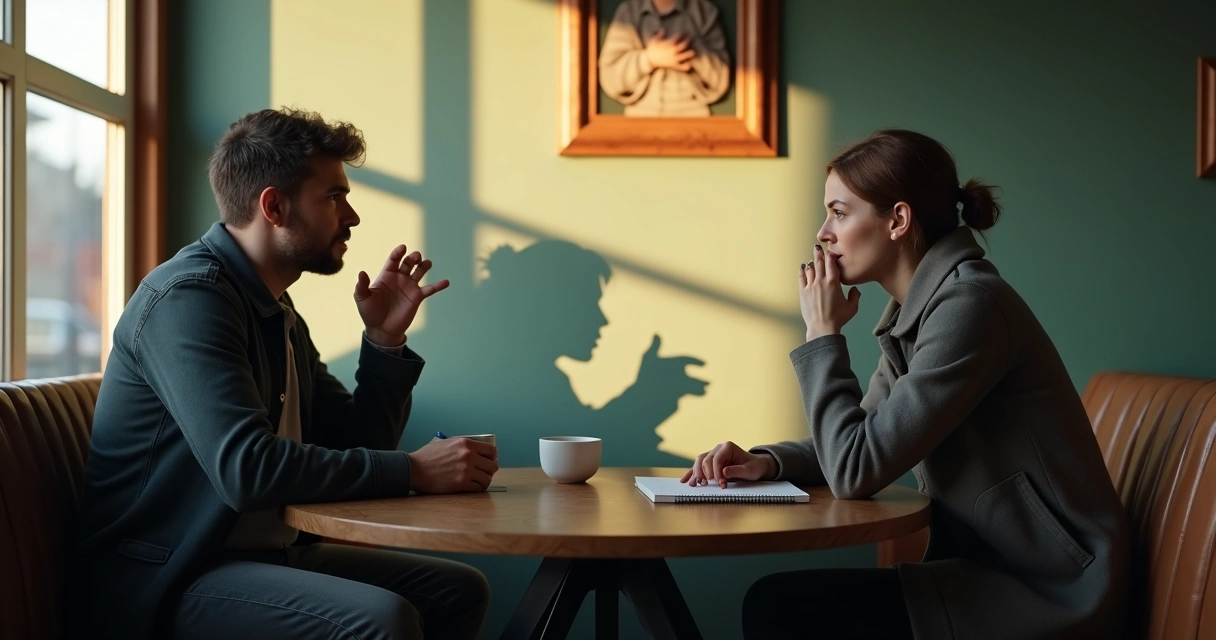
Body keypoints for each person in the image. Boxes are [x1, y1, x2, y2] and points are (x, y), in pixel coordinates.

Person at [683, 130, 1130, 639]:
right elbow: (863, 439)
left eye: (840, 212)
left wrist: (822, 334)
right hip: (994, 570)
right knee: (780, 604)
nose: (823, 233)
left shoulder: (970, 308)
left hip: (1049, 589)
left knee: (780, 608)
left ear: (897, 219)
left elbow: (856, 470)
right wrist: (768, 461)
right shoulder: (922, 313)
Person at [70, 108, 498, 640]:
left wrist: (383, 342)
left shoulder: (274, 307)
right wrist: (413, 470)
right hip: (167, 577)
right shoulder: (190, 300)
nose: (352, 217)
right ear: (273, 206)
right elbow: (247, 470)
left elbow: (359, 440)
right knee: (383, 622)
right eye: (334, 197)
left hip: (259, 556)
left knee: (457, 591)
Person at [400, 240, 708, 468]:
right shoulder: (515, 381)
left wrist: (643, 397)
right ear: (550, 307)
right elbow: (570, 461)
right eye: (590, 303)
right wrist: (642, 399)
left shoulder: (535, 374)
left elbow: (581, 437)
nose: (603, 320)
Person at [599, 0, 731, 117]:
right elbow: (609, 78)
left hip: (693, 122)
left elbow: (720, 80)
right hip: (640, 122)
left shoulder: (704, 11)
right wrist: (648, 59)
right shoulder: (628, 12)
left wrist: (688, 50)